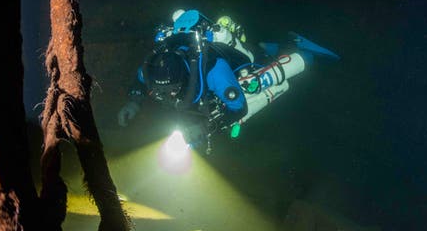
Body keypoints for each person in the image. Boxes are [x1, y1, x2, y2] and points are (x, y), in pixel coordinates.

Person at [117, 8, 339, 149]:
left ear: (184, 78)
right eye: (159, 92)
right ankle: (262, 45)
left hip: (238, 64)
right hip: (212, 57)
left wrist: (205, 128)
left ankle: (303, 52)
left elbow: (239, 108)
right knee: (258, 49)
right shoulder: (153, 68)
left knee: (254, 70)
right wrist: (133, 103)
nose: (167, 96)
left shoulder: (213, 70)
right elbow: (139, 81)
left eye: (172, 90)